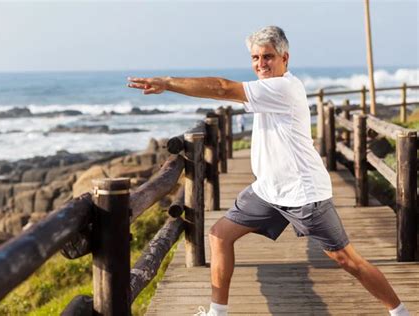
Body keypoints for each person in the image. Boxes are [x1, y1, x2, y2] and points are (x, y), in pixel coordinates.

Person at [127, 26, 409, 316]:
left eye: (268, 57)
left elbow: (222, 88)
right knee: (220, 235)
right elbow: (228, 93)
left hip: (303, 193)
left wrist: (168, 83)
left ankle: (400, 312)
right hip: (267, 191)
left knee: (348, 261)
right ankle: (217, 313)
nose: (260, 63)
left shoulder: (284, 87)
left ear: (285, 58)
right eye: (255, 57)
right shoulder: (267, 88)